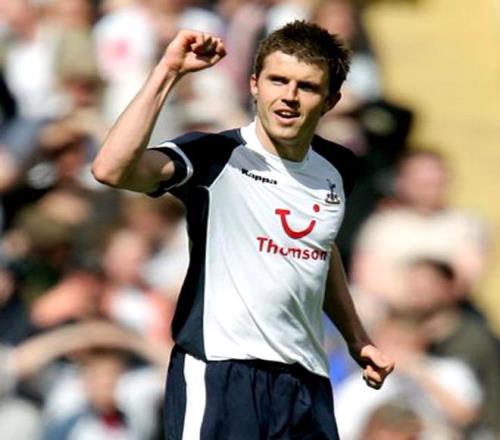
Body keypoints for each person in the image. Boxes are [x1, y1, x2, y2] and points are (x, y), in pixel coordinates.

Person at [92, 20, 394, 440]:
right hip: (222, 373)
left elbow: (319, 252)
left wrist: (358, 340)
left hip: (305, 380)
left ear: (331, 101)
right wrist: (168, 72)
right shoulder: (215, 156)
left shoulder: (338, 167)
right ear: (254, 84)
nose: (289, 96)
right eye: (277, 80)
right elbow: (110, 169)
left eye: (307, 87)